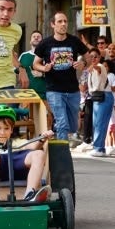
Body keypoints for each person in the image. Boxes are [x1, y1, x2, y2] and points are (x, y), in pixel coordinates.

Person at [33, 12, 88, 141]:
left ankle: (55, 134)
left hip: (73, 90)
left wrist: (83, 64)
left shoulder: (74, 41)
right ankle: (63, 153)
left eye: (65, 21)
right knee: (62, 122)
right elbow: (35, 64)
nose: (63, 24)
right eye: (60, 21)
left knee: (73, 126)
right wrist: (44, 68)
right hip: (54, 90)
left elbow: (88, 58)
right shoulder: (45, 43)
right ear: (53, 24)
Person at [84, 47, 115, 157]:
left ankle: (98, 148)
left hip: (105, 96)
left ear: (100, 57)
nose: (93, 58)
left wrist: (92, 66)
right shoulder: (91, 70)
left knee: (100, 124)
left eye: (96, 56)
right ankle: (99, 147)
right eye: (91, 57)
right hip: (97, 97)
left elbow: (98, 69)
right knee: (96, 123)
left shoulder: (100, 66)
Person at [18, 30, 46, 99]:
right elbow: (17, 72)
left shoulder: (47, 55)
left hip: (44, 93)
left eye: (38, 37)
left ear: (42, 42)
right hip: (26, 93)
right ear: (30, 41)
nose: (36, 38)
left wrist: (43, 74)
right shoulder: (23, 55)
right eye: (34, 37)